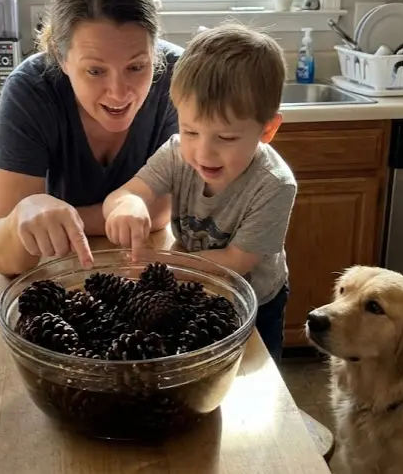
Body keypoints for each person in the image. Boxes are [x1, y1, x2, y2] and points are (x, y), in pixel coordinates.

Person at [102, 23, 298, 363]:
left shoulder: (274, 184)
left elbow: (235, 263)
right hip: (194, 282)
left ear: (267, 129)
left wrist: (160, 263)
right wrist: (128, 205)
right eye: (191, 130)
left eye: (226, 138)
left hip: (256, 299)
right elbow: (123, 195)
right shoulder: (177, 153)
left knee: (254, 376)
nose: (204, 153)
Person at [0, 0, 183, 276]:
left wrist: (61, 220)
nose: (118, 93)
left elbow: (160, 212)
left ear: (154, 51)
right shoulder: (28, 90)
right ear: (60, 57)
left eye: (137, 67)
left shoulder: (179, 80)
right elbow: (7, 260)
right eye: (95, 71)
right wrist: (17, 219)